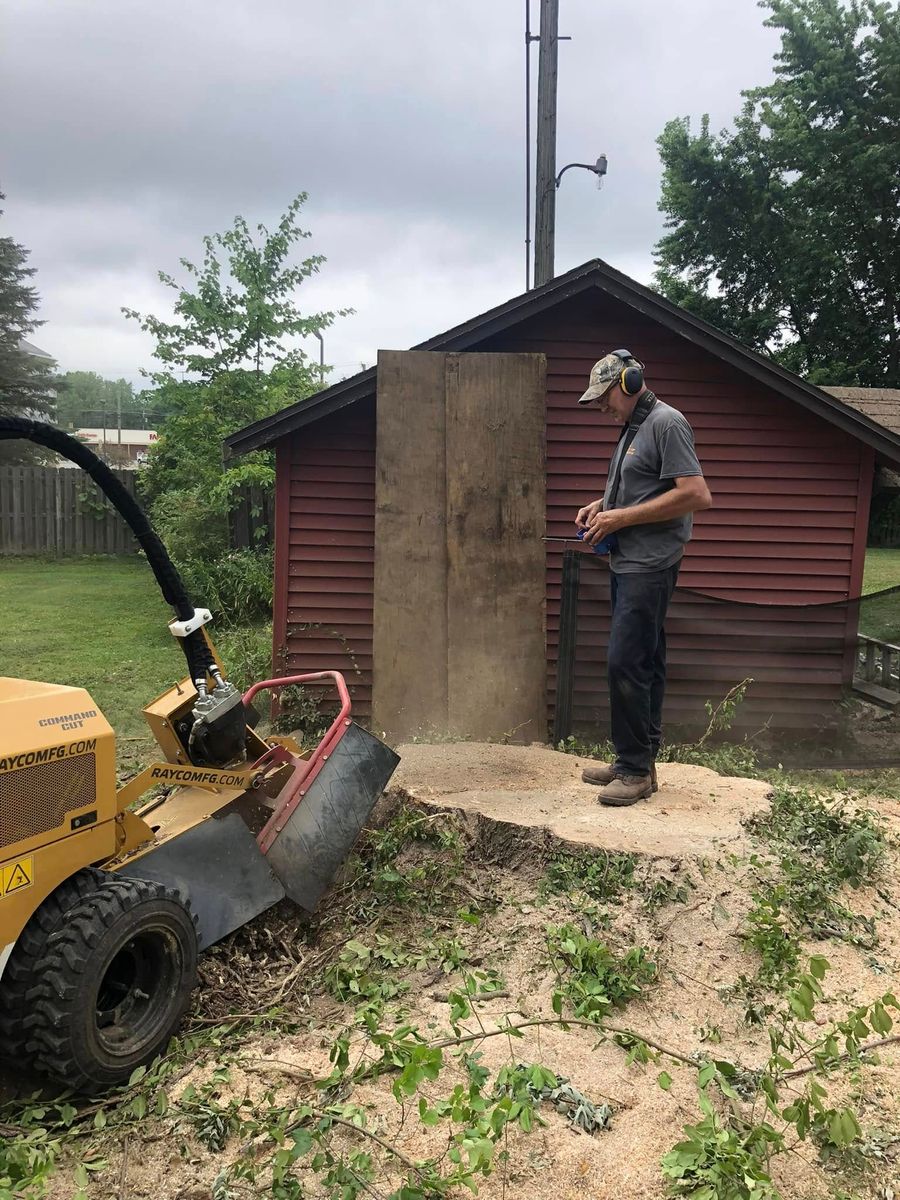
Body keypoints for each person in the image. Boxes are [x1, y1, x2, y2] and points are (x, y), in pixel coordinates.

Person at [575, 349, 712, 807]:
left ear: (629, 383)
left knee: (625, 661)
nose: (600, 407)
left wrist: (620, 520)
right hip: (629, 559)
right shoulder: (633, 427)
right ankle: (636, 760)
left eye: (604, 397)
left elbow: (695, 494)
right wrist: (602, 505)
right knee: (646, 659)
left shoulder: (667, 423)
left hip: (650, 562)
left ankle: (633, 771)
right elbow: (642, 484)